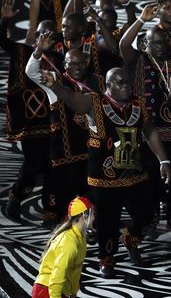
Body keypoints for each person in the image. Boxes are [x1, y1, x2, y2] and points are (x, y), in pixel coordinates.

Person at [39, 67, 171, 278]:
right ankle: (107, 259)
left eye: (127, 81)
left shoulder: (138, 105)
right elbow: (72, 98)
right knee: (107, 221)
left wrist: (163, 160)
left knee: (147, 214)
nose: (126, 86)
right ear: (108, 85)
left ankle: (130, 238)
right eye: (120, 82)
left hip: (133, 174)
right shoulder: (94, 102)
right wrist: (54, 84)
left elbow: (150, 132)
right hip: (104, 177)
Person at [120, 3, 171, 240]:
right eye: (155, 43)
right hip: (148, 134)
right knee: (151, 180)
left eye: (164, 43)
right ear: (146, 44)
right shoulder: (139, 60)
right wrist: (141, 19)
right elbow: (123, 44)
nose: (160, 47)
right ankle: (151, 220)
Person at [26, 34, 105, 225]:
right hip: (65, 150)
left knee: (93, 190)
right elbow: (31, 71)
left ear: (86, 62)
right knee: (65, 190)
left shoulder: (98, 81)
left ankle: (92, 223)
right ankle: (67, 225)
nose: (76, 67)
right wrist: (38, 51)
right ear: (65, 65)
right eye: (71, 63)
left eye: (80, 63)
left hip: (92, 149)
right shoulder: (54, 80)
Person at [0, 0, 57, 222]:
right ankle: (16, 196)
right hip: (30, 122)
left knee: (53, 164)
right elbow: (1, 41)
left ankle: (50, 206)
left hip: (53, 120)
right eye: (44, 34)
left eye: (52, 36)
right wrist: (4, 20)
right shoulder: (21, 52)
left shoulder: (59, 59)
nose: (47, 39)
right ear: (36, 35)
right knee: (33, 165)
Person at [32, 197, 94, 298]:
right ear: (85, 216)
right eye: (93, 213)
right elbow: (57, 275)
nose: (95, 217)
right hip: (47, 290)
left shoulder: (81, 238)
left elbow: (77, 269)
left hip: (58, 290)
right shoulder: (68, 242)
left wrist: (74, 292)